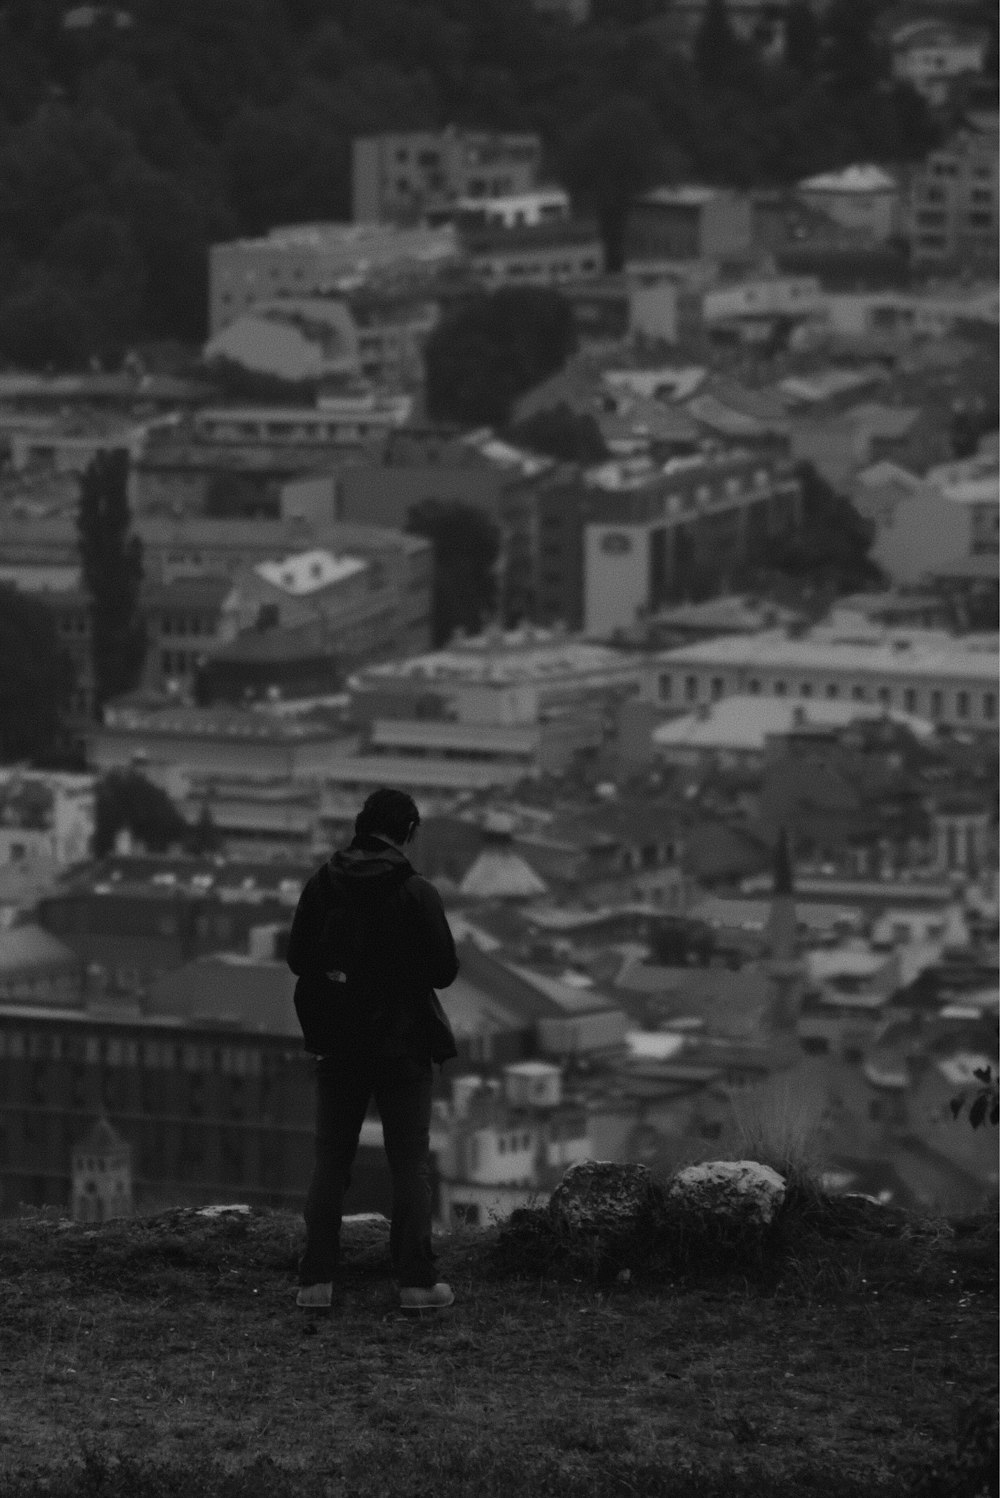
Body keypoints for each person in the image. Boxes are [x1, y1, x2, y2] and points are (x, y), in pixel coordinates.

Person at [286, 788, 459, 1312]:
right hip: (402, 1043)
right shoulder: (416, 892)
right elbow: (444, 972)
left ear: (361, 826)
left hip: (338, 1040)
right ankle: (414, 1282)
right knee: (409, 1164)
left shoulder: (323, 883)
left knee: (330, 1160)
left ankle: (316, 1281)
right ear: (407, 831)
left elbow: (297, 958)